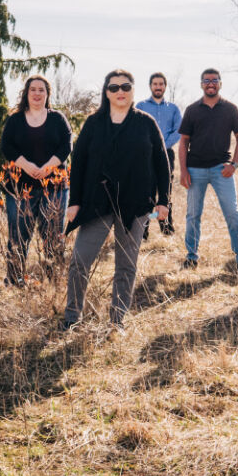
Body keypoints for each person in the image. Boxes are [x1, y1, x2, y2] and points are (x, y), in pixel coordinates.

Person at [63, 69, 171, 330]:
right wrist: (74, 201)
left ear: (133, 90)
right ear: (106, 92)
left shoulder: (146, 123)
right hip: (96, 202)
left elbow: (162, 163)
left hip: (135, 204)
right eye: (114, 87)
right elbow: (78, 163)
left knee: (126, 265)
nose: (120, 91)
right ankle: (72, 317)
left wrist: (164, 201)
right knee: (80, 261)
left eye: (125, 86)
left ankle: (117, 320)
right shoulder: (94, 123)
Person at [0, 75, 72, 285]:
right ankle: (15, 280)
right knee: (18, 236)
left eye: (42, 90)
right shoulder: (15, 120)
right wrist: (27, 166)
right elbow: (6, 146)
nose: (37, 93)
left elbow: (66, 145)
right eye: (33, 89)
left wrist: (48, 167)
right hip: (21, 188)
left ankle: (53, 281)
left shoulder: (58, 119)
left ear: (47, 94)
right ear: (26, 93)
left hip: (54, 187)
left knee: (52, 236)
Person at [178, 68, 238, 274]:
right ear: (201, 84)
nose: (210, 83)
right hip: (195, 170)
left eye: (214, 80)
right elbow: (183, 142)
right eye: (206, 80)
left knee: (232, 213)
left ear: (220, 83)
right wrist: (183, 171)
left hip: (222, 170)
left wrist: (234, 165)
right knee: (193, 215)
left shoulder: (230, 109)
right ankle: (191, 257)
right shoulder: (192, 110)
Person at [136, 72, 181, 236]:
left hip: (166, 155)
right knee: (146, 193)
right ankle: (143, 231)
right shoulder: (141, 106)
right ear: (150, 86)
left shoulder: (173, 109)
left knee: (165, 191)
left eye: (161, 84)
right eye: (155, 84)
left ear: (165, 86)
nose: (158, 87)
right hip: (145, 156)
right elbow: (136, 129)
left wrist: (162, 146)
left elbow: (178, 131)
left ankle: (166, 229)